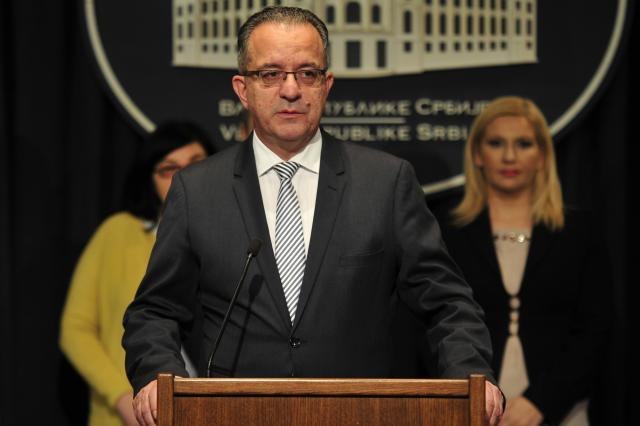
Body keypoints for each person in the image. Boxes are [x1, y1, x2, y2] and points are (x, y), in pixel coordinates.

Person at [122, 7, 505, 426]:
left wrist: (471, 375)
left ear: (326, 85)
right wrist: (157, 377)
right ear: (243, 89)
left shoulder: (384, 182)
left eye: (307, 73)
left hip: (360, 416)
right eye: (270, 74)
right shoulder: (197, 190)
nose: (290, 90)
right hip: (234, 416)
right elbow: (155, 311)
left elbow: (447, 301)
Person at [432, 96, 611, 425]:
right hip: (470, 408)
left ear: (542, 156)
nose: (509, 156)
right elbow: (434, 324)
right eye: (496, 143)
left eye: (524, 144)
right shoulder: (445, 232)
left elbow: (594, 330)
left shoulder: (578, 231)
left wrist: (540, 403)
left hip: (560, 410)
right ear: (477, 154)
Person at [59, 121, 215, 426]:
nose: (184, 176)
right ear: (149, 179)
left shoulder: (236, 234)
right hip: (132, 415)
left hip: (213, 411)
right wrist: (120, 396)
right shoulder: (117, 233)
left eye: (196, 163)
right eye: (169, 169)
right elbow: (76, 330)